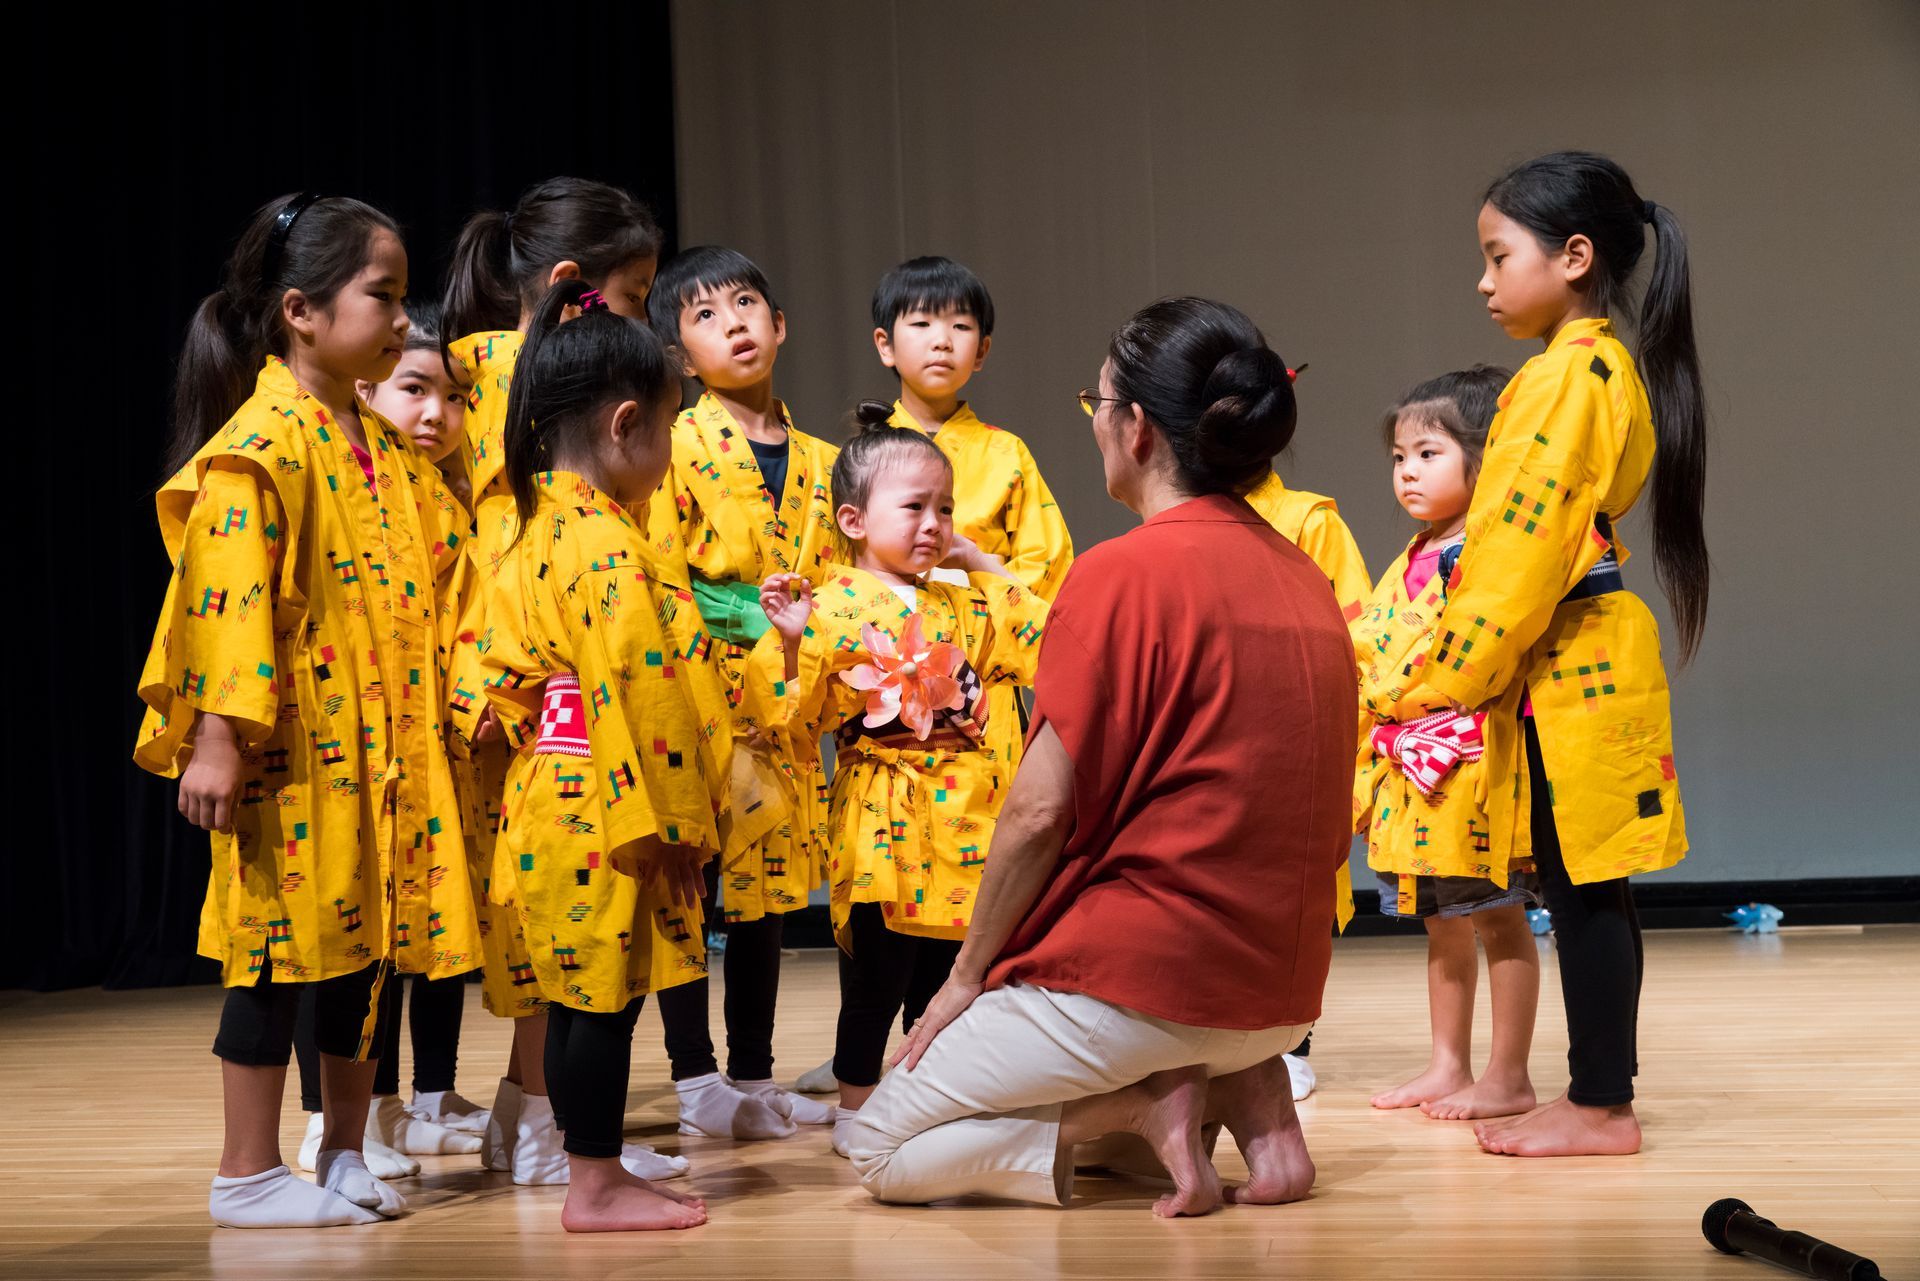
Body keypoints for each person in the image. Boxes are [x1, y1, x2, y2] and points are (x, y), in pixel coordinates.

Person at [843, 297, 1356, 1216]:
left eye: (1098, 402)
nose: (1094, 422)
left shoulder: (1121, 572)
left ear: (1138, 428)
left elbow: (1041, 810)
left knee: (879, 1145)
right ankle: (1248, 1099)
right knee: (1101, 1150)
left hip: (1147, 981)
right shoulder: (1305, 576)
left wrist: (963, 979)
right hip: (1278, 997)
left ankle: (1148, 1099)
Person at [135, 193, 469, 1227]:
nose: (403, 318)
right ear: (301, 312)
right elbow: (225, 596)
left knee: (368, 950)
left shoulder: (376, 445)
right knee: (272, 955)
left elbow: (447, 569)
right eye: (383, 295)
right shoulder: (263, 444)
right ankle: (246, 1172)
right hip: (292, 750)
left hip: (377, 750)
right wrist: (218, 737)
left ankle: (344, 1149)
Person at [1421, 151, 1706, 1158]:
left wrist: (1447, 673)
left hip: (1571, 659)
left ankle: (1600, 1105)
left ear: (1574, 256)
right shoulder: (1594, 368)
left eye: (1499, 256)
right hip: (1585, 653)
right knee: (1593, 885)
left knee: (1585, 888)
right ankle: (1598, 1095)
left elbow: (1520, 549)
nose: (1484, 280)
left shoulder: (1565, 378)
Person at [438, 177, 686, 1182]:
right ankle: (568, 1149)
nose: (640, 316)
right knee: (586, 978)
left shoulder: (554, 508)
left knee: (559, 962)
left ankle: (539, 1127)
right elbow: (635, 679)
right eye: (634, 295)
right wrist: (673, 819)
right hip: (580, 757)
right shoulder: (514, 394)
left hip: (541, 732)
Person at [475, 278, 724, 1231]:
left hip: (556, 791)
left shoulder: (539, 527)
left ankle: (598, 1169)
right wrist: (674, 823)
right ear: (627, 424)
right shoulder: (605, 548)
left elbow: (503, 670)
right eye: (669, 424)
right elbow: (639, 692)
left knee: (584, 999)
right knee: (599, 1006)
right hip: (606, 801)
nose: (671, 448)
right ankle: (592, 1183)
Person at [747, 402, 1047, 1156]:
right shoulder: (830, 603)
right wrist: (792, 643)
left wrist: (980, 562)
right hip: (886, 811)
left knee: (949, 972)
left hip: (965, 812)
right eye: (914, 507)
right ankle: (856, 1107)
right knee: (879, 971)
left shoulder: (962, 599)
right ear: (853, 520)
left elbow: (1044, 635)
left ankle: (925, 1100)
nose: (933, 524)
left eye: (944, 508)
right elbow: (787, 713)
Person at [642, 247, 841, 1138]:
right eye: (705, 314)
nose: (734, 323)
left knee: (768, 887)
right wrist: (741, 617)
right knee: (691, 877)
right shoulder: (673, 445)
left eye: (748, 304)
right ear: (680, 355)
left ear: (780, 323)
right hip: (699, 683)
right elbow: (660, 571)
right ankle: (695, 1079)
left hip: (785, 688)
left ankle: (753, 1074)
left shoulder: (825, 459)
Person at [1353, 366, 1544, 1122]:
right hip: (1416, 772)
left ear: (1483, 456)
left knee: (1499, 916)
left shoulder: (1488, 550)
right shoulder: (1417, 551)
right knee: (1441, 922)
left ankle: (1509, 1074)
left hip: (1469, 765)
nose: (1408, 471)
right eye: (1400, 456)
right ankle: (1447, 1064)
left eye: (1429, 454)